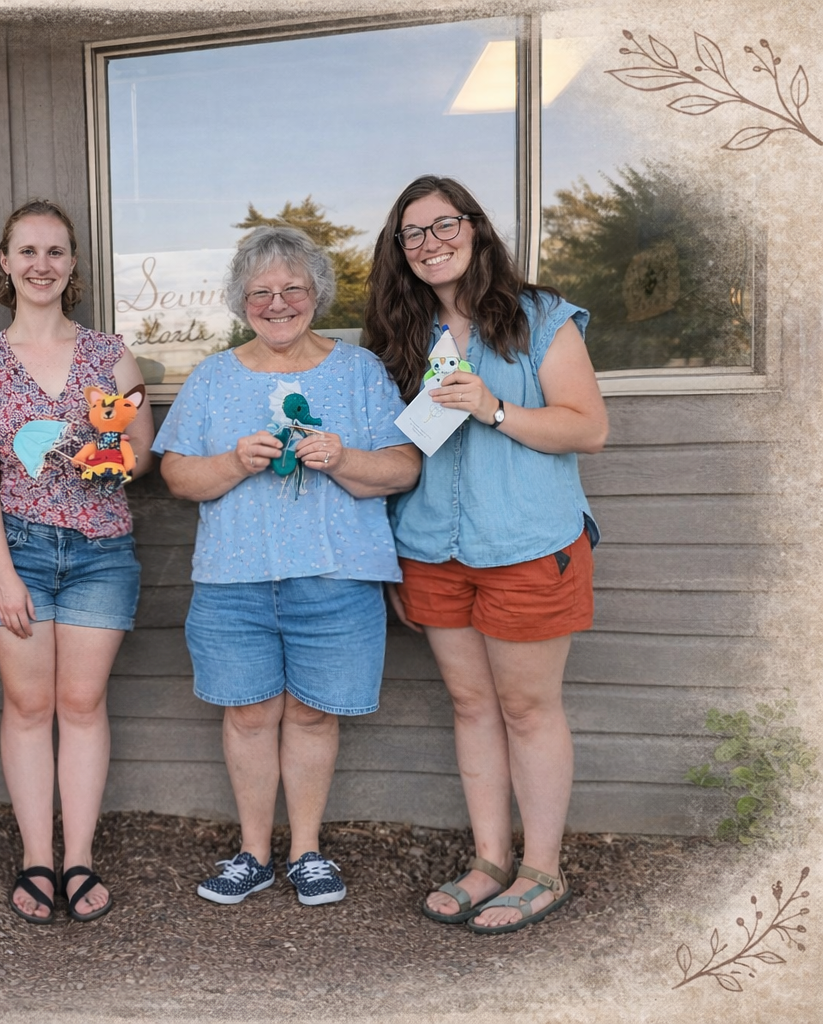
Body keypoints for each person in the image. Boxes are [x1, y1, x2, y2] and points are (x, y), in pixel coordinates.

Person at [364, 175, 608, 934]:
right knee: (471, 706)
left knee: (528, 708)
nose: (430, 243)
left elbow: (588, 427)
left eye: (445, 225)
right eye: (413, 233)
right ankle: (490, 861)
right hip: (433, 549)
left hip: (527, 545)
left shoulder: (538, 317)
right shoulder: (403, 336)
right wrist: (394, 554)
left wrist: (493, 408)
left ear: (474, 229)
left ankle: (543, 871)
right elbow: (398, 455)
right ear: (400, 251)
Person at [155, 225, 420, 909]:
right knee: (248, 717)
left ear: (317, 293)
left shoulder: (359, 371)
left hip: (335, 577)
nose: (278, 304)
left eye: (293, 289)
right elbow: (177, 475)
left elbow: (404, 467)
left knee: (312, 717)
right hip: (233, 580)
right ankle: (252, 854)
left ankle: (306, 852)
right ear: (241, 301)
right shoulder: (213, 376)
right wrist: (232, 462)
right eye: (261, 293)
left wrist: (344, 457)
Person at [0, 199, 155, 923]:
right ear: (5, 264)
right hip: (20, 553)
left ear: (73, 265)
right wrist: (4, 574)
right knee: (29, 706)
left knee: (82, 704)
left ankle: (80, 859)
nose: (42, 265)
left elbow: (141, 456)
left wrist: (104, 455)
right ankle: (38, 857)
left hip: (102, 551)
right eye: (28, 252)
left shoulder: (110, 354)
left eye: (56, 252)